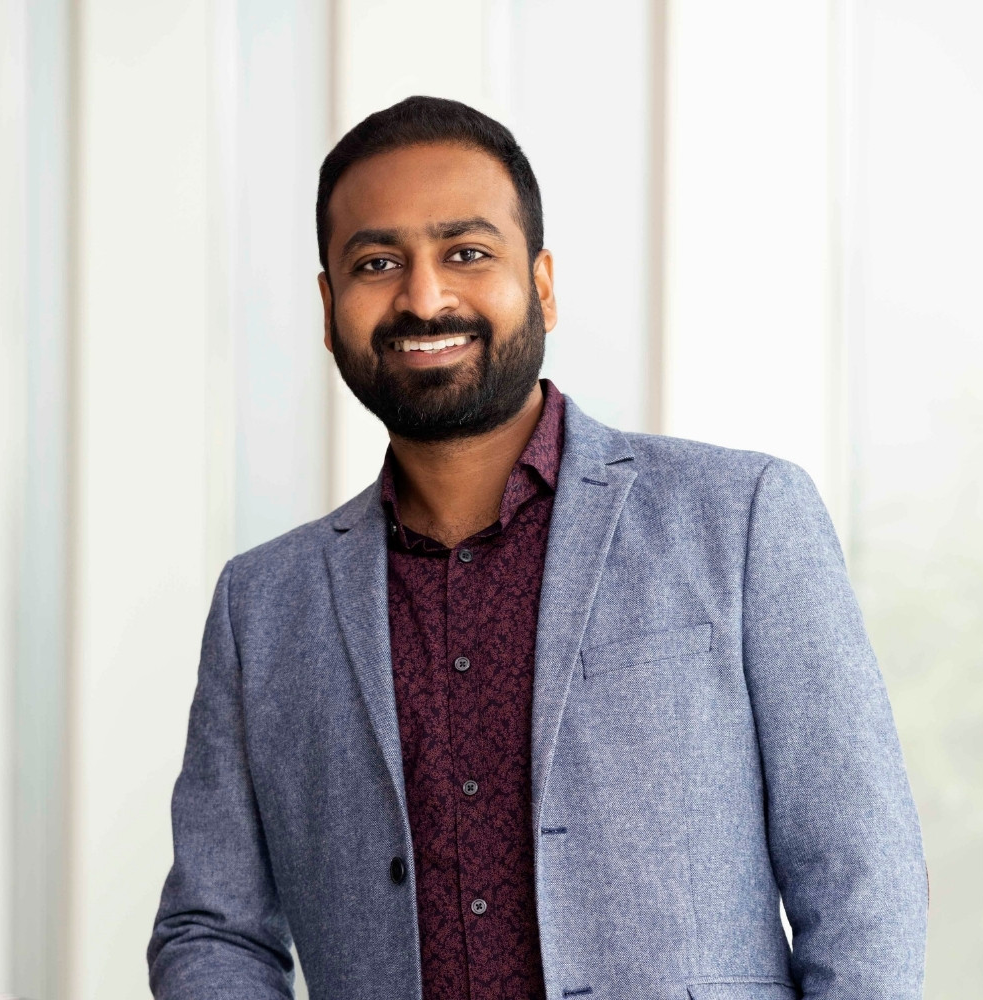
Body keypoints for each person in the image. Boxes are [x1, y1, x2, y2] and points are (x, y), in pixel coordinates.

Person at [146, 96, 927, 1000]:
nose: (424, 297)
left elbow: (863, 882)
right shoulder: (263, 607)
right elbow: (212, 927)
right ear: (329, 308)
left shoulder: (743, 519)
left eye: (467, 253)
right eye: (377, 263)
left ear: (543, 284)